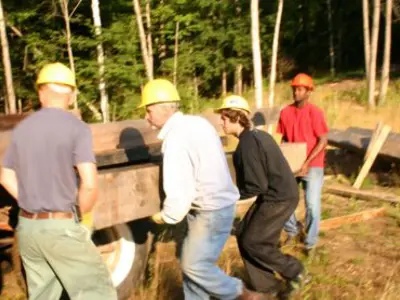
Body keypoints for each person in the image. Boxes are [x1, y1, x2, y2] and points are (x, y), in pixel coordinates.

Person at [0, 62, 117, 300]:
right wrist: (78, 219)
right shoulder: (77, 128)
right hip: (61, 226)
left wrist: (29, 202)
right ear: (72, 95)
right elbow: (90, 183)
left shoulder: (22, 129)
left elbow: (5, 176)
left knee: (43, 296)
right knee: (98, 294)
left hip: (29, 229)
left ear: (41, 93)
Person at [140, 79, 264, 299]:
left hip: (211, 211)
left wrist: (164, 216)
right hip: (213, 207)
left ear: (162, 107)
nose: (146, 116)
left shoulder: (175, 138)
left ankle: (244, 294)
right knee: (194, 270)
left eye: (149, 110)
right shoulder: (197, 123)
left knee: (193, 266)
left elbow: (180, 192)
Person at [216, 95, 306, 298]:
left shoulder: (248, 144)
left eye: (224, 117)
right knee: (244, 234)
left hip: (279, 198)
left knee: (255, 241)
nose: (221, 122)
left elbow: (256, 185)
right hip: (273, 195)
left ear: (236, 117)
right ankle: (266, 287)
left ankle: (294, 270)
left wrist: (229, 197)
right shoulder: (255, 136)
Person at [277, 73, 329, 256]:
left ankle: (310, 243)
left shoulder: (315, 113)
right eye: (294, 89)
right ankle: (292, 231)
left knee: (312, 205)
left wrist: (307, 163)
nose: (296, 92)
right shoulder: (285, 112)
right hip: (293, 164)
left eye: (300, 89)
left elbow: (323, 141)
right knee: (283, 199)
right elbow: (284, 138)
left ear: (308, 92)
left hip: (313, 164)